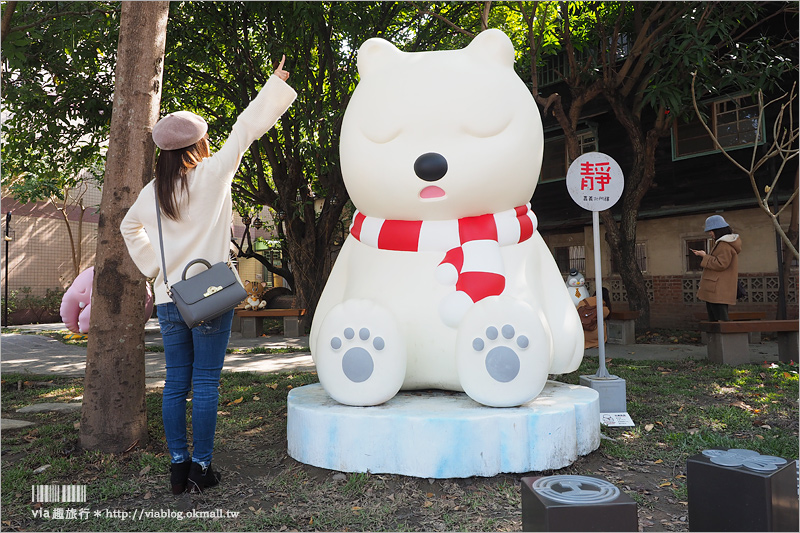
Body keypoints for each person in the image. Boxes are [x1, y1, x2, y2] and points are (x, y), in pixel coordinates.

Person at [120, 56, 296, 494]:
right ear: (198, 145)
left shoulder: (153, 191)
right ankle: (202, 468)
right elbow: (246, 128)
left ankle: (178, 469)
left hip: (168, 297)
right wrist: (273, 85)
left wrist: (156, 267)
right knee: (205, 383)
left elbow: (128, 226)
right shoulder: (213, 174)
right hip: (210, 295)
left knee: (176, 381)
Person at [692, 214, 742, 322]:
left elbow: (721, 264)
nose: (710, 233)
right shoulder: (724, 244)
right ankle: (719, 339)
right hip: (717, 287)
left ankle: (725, 339)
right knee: (716, 318)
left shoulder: (724, 245)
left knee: (720, 320)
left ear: (718, 230)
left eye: (711, 230)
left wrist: (704, 256)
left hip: (718, 288)